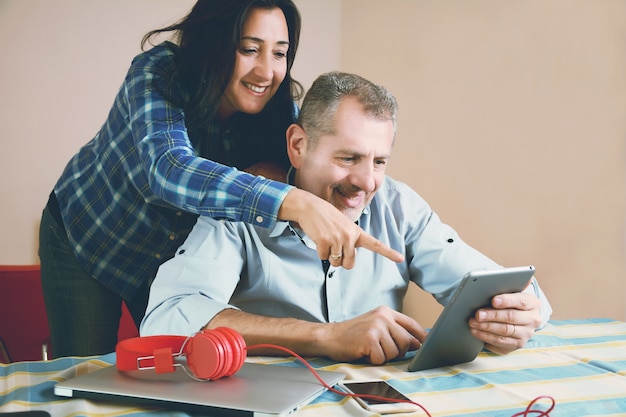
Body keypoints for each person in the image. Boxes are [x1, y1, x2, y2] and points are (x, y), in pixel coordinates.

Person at [38, 1, 402, 358]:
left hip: (166, 263)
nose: (266, 72)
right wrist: (295, 202)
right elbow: (170, 170)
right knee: (86, 372)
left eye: (279, 54)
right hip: (89, 236)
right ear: (212, 41)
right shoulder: (158, 73)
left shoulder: (281, 113)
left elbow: (306, 167)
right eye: (249, 49)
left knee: (166, 371)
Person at [141, 72, 552, 365]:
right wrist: (326, 337)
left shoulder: (399, 206)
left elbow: (500, 285)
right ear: (299, 146)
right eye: (348, 158)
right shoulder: (240, 211)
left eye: (379, 161)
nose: (365, 182)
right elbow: (166, 320)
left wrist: (521, 312)